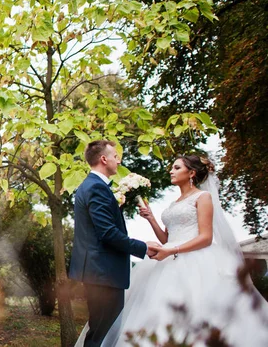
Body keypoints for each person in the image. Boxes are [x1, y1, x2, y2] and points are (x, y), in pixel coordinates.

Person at [99, 155, 268, 346]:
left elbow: (205, 238)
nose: (171, 171)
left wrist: (173, 251)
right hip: (169, 256)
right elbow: (167, 239)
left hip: (196, 261)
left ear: (192, 173)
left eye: (176, 167)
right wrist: (152, 219)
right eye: (172, 167)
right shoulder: (175, 202)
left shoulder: (203, 197)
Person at [69, 140, 160, 347]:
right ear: (104, 159)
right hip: (103, 272)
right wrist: (143, 247)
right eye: (115, 156)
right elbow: (107, 233)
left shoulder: (93, 186)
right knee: (99, 334)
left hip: (98, 271)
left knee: (99, 331)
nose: (118, 161)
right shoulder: (97, 188)